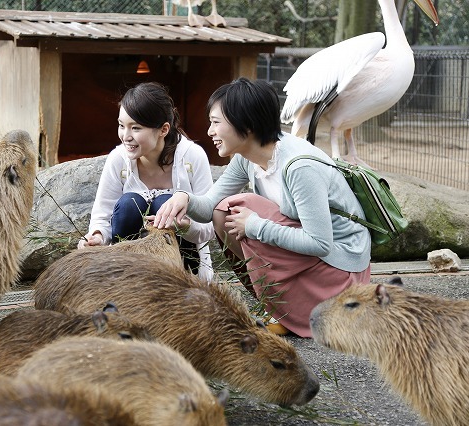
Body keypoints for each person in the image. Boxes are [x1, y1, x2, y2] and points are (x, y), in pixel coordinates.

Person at [153, 77, 371, 337]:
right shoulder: (248, 158)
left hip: (340, 271)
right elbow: (209, 207)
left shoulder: (299, 167)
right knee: (223, 212)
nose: (210, 131)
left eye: (216, 122)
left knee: (241, 206)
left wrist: (255, 226)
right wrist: (183, 199)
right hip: (314, 261)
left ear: (246, 123)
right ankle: (279, 307)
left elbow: (320, 242)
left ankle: (292, 307)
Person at [78, 81, 215, 281]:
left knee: (165, 204)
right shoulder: (118, 159)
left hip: (182, 269)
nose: (126, 136)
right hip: (131, 270)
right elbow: (102, 216)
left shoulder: (193, 157)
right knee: (129, 204)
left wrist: (185, 226)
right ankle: (124, 281)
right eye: (121, 125)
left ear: (163, 129)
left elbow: (210, 226)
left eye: (136, 128)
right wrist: (97, 236)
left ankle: (184, 285)